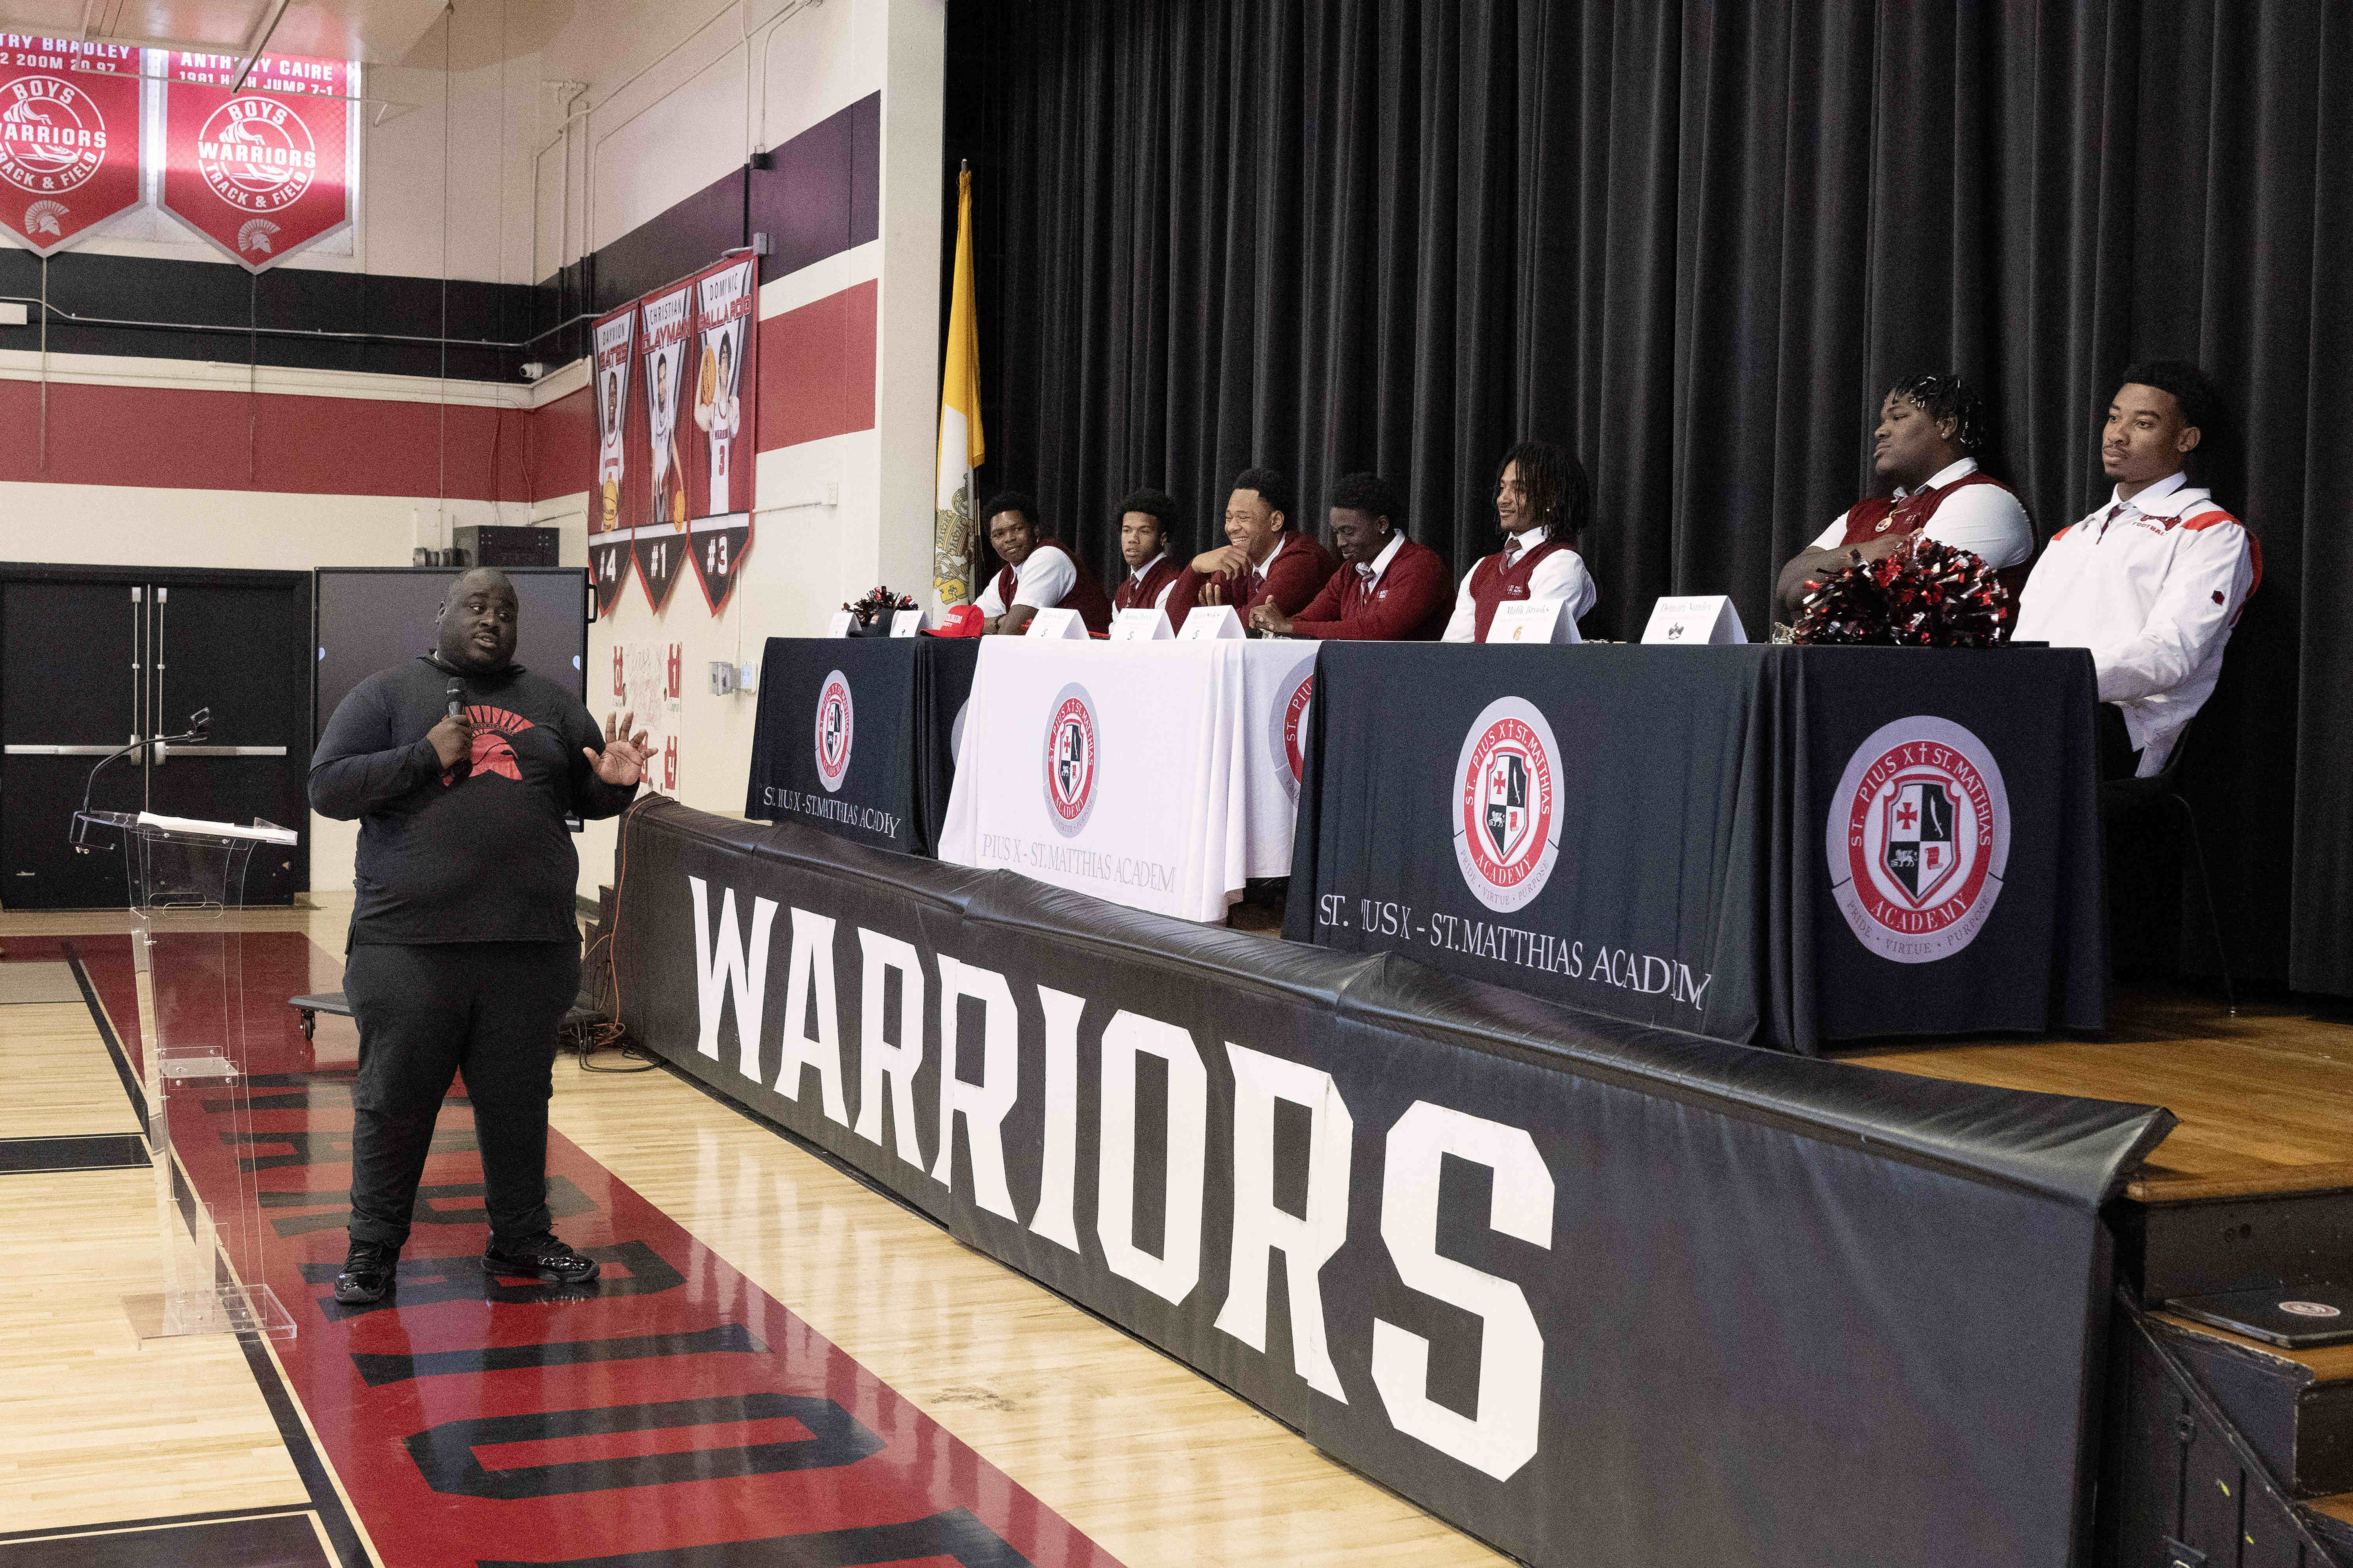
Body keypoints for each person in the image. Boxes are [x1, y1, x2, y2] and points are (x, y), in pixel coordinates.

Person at [310, 568, 649, 1305]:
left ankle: (521, 1238)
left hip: (528, 949)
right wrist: (423, 756)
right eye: (476, 605)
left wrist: (616, 786)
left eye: (505, 609)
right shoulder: (386, 694)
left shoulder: (553, 703)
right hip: (409, 948)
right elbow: (328, 787)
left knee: (519, 1103)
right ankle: (372, 1250)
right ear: (442, 613)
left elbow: (586, 793)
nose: (492, 618)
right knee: (394, 1103)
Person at [2015, 362, 2259, 778]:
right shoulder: (2070, 537)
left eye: (2143, 423)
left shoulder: (2210, 530)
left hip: (2121, 727)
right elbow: (2025, 642)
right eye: (2114, 418)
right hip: (2041, 703)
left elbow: (2170, 656)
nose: (2117, 434)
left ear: (2186, 439)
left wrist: (2059, 679)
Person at [1773, 372, 2033, 620]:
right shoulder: (1863, 512)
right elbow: (1788, 585)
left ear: (1946, 425)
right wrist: (1875, 550)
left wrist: (1824, 579)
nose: (1880, 431)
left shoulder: (1984, 499)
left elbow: (1906, 604)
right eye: (1882, 421)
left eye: (1897, 418)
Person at [1252, 471, 1450, 640]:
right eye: (1337, 533)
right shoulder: (1350, 572)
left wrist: (1289, 626)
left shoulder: (1422, 566)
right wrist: (1272, 622)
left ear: (1382, 524)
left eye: (1348, 532)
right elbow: (1308, 620)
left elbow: (1378, 631)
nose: (1340, 543)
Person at [1441, 440, 1600, 642]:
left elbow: (1528, 652)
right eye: (1502, 488)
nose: (1502, 499)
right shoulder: (1482, 568)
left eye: (1519, 490)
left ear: (1551, 498)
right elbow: (1453, 650)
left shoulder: (1562, 563)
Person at [1175, 467, 1337, 618]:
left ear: (1275, 521)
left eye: (1243, 518)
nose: (1231, 528)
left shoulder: (1302, 560)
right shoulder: (1238, 560)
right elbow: (1174, 623)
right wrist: (1195, 566)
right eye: (1229, 518)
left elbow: (1253, 621)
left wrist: (1209, 620)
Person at [973, 492, 1114, 635]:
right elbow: (963, 623)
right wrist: (1001, 622)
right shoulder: (1006, 575)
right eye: (999, 534)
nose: (1009, 539)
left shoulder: (1048, 557)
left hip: (1091, 648)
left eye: (1017, 529)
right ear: (992, 542)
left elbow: (1014, 630)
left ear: (1036, 530)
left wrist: (994, 623)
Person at [1110, 488, 1195, 620]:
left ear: (1163, 538)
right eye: (1127, 530)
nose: (1133, 539)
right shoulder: (1124, 590)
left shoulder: (1171, 585)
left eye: (1144, 532)